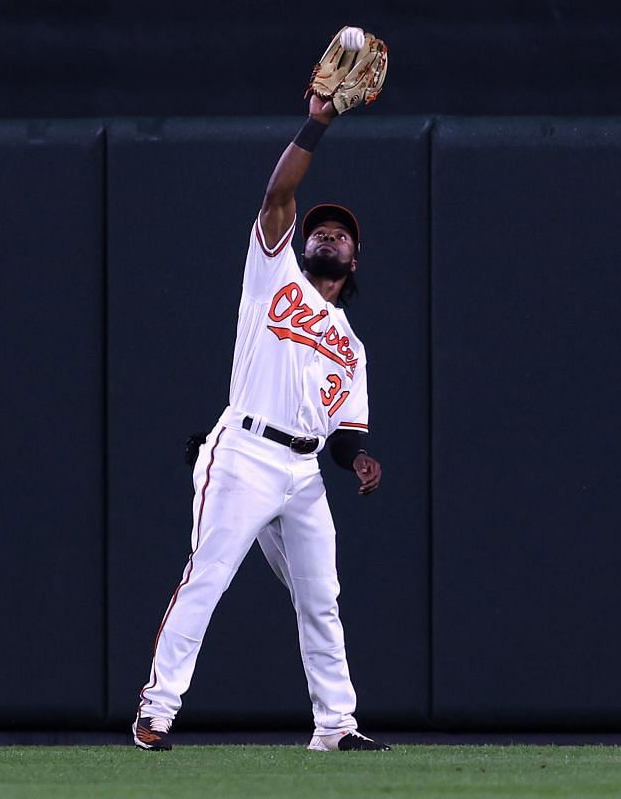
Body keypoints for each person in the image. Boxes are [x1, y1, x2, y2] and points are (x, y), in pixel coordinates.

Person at [132, 79, 390, 752]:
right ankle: (156, 711)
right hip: (244, 451)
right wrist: (317, 125)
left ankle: (335, 727)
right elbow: (280, 196)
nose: (328, 236)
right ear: (303, 244)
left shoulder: (351, 347)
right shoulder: (273, 273)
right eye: (321, 230)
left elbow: (348, 435)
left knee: (322, 599)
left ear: (354, 259)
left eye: (341, 235)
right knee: (209, 575)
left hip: (303, 470)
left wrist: (358, 459)